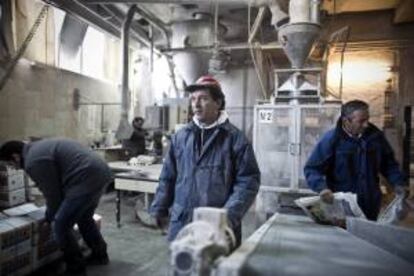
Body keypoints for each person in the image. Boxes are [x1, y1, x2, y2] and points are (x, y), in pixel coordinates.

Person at [149, 75, 261, 246]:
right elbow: (168, 176)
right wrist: (159, 208)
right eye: (193, 99)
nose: (196, 104)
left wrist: (227, 217)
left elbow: (248, 182)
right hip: (182, 222)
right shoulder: (180, 137)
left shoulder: (235, 139)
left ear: (218, 103)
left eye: (203, 98)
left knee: (217, 269)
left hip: (218, 226)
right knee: (183, 267)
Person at [0, 138, 112, 275]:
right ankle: (100, 255)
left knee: (60, 225)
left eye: (10, 164)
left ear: (15, 156)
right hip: (100, 172)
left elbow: (54, 196)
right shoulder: (37, 149)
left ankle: (76, 268)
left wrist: (48, 218)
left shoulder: (33, 161)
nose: (13, 168)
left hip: (84, 177)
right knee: (84, 218)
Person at [304, 100, 406, 220]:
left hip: (370, 204)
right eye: (361, 121)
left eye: (367, 119)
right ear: (346, 121)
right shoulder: (332, 140)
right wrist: (322, 188)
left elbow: (389, 164)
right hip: (343, 207)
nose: (366, 125)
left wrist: (398, 182)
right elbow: (312, 168)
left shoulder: (376, 138)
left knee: (366, 236)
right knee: (343, 237)